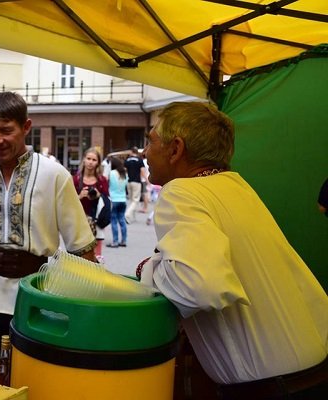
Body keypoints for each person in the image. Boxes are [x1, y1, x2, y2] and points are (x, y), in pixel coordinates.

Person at [138, 101, 328, 399]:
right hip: (313, 372)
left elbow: (199, 287)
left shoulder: (181, 191)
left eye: (150, 141)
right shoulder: (236, 185)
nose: (144, 153)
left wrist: (148, 269)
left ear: (175, 149)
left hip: (271, 389)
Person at [0, 91, 96, 352]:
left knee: (24, 377)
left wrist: (86, 307)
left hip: (32, 298)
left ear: (26, 127)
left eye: (5, 130)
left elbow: (81, 246)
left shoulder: (54, 175)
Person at [73, 147, 109, 261]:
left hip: (96, 222)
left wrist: (99, 195)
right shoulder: (75, 179)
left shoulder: (102, 180)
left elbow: (107, 200)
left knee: (95, 258)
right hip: (79, 222)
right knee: (78, 256)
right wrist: (79, 196)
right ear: (83, 159)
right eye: (88, 158)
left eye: (94, 160)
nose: (90, 162)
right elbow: (67, 201)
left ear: (98, 162)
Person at [106, 157, 128, 247]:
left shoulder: (111, 173)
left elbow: (108, 184)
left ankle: (115, 241)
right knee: (122, 220)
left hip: (113, 199)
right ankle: (124, 240)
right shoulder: (124, 174)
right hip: (123, 199)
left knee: (114, 220)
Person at [123, 146, 146, 224]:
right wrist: (147, 180)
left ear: (131, 152)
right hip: (137, 182)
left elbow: (124, 171)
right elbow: (142, 171)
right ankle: (127, 215)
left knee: (131, 200)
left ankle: (132, 218)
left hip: (129, 182)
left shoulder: (127, 160)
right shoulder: (139, 160)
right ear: (137, 152)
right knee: (135, 200)